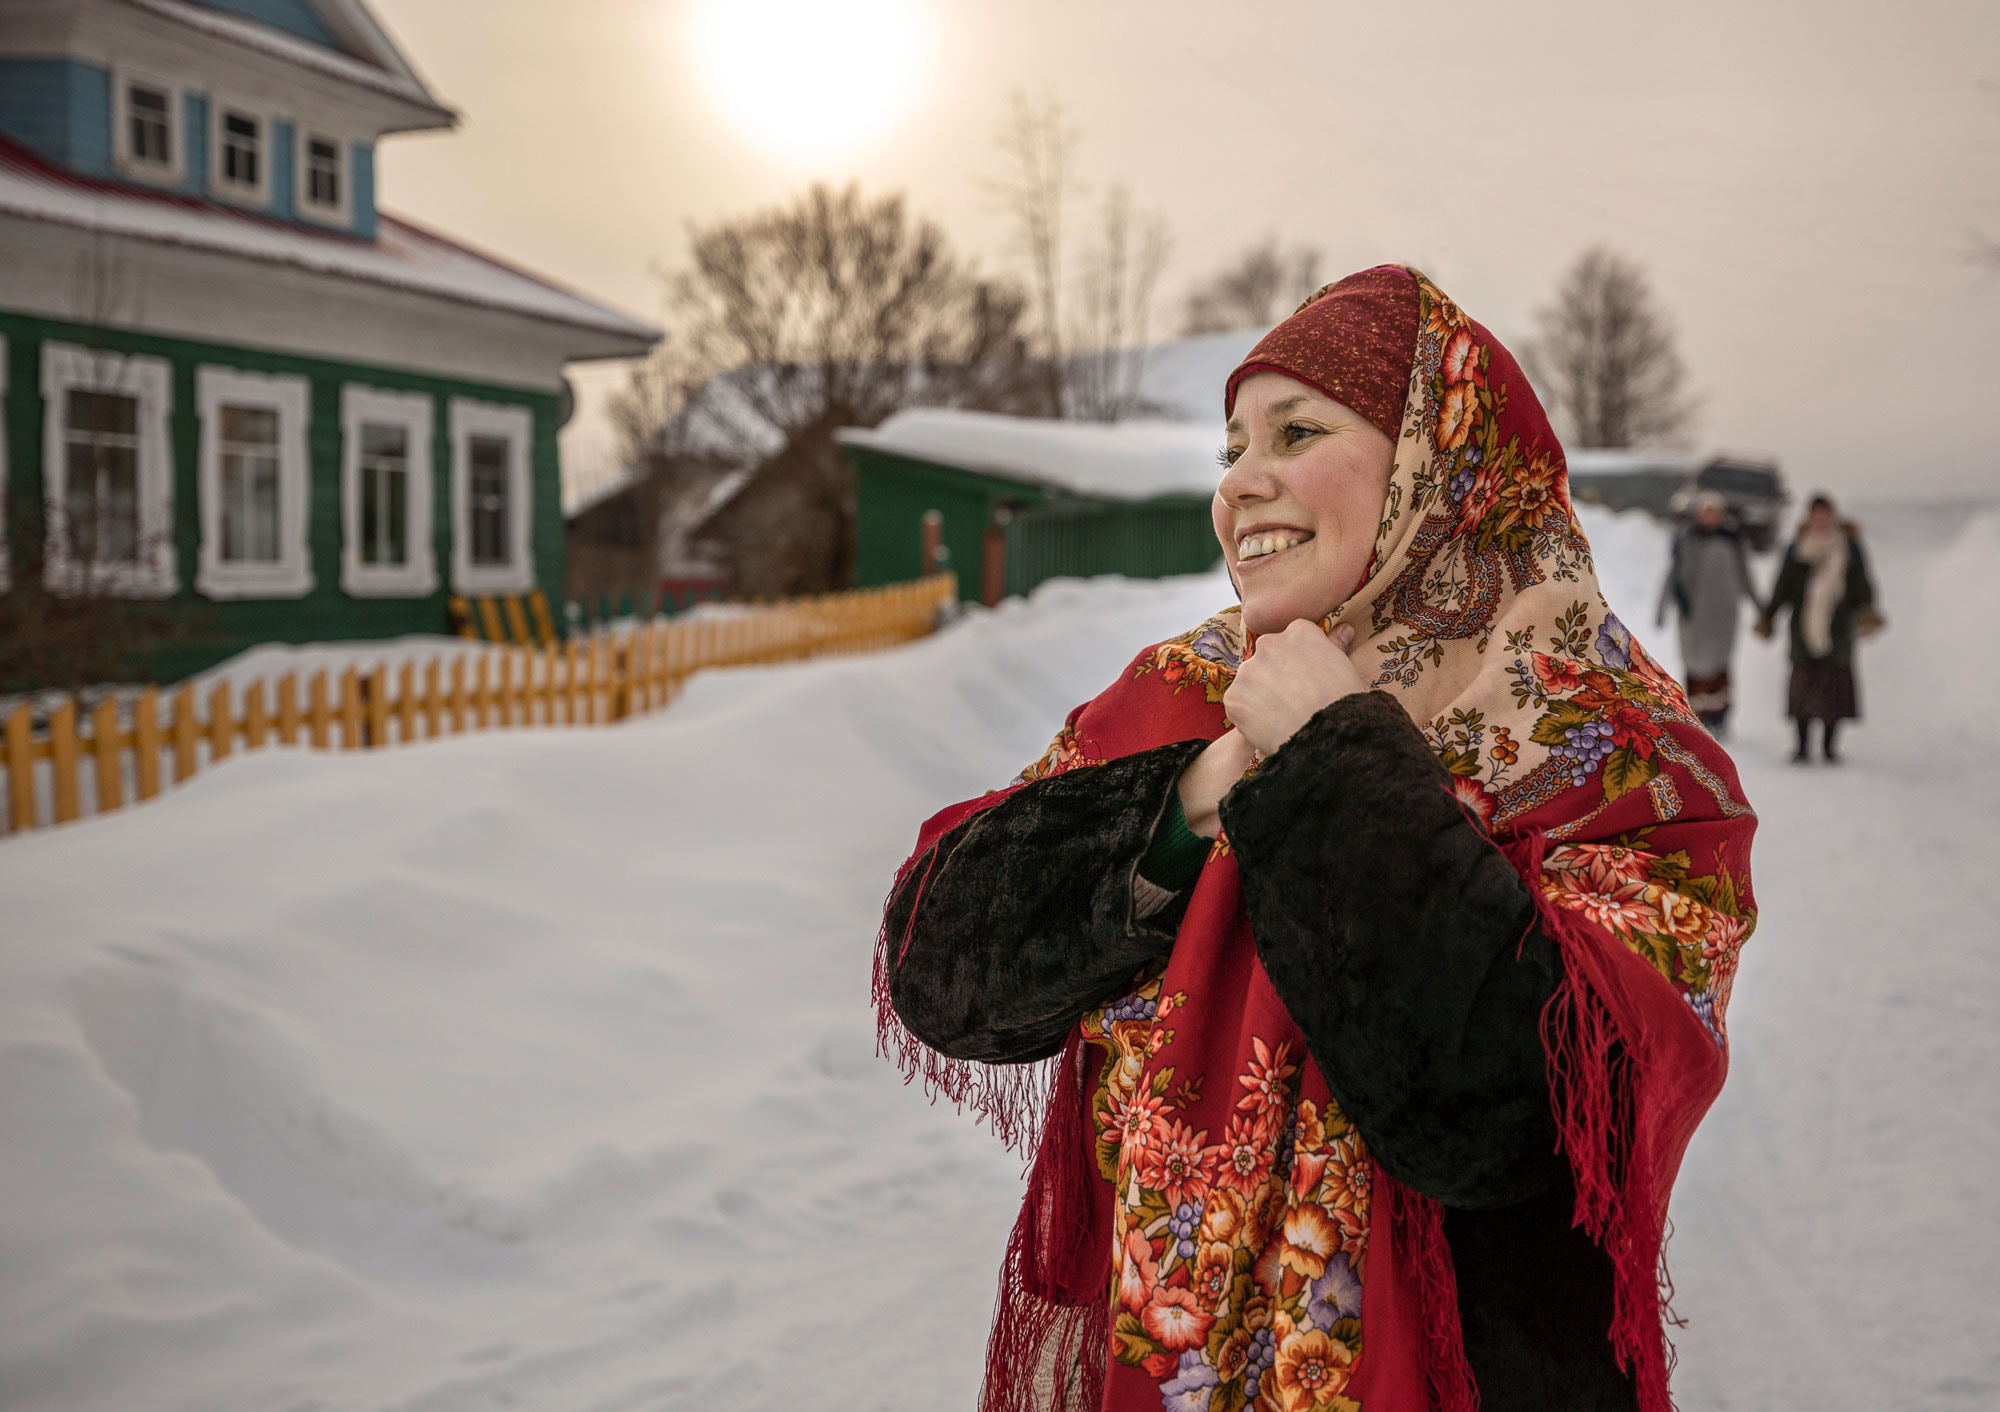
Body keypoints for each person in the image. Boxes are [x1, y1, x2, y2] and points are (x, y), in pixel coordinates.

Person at [876, 267, 1758, 1412]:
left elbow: (1527, 1123)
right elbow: (941, 961)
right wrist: (1192, 796)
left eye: (1295, 433)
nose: (1239, 482)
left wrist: (1333, 759)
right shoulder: (1189, 693)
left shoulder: (1614, 755)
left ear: (1443, 467)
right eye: (1231, 447)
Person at [1757, 494, 1880, 764]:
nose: (1821, 520)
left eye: (1825, 514)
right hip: (1802, 627)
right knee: (1803, 686)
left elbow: (1861, 585)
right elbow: (1782, 586)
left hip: (1838, 627)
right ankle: (1801, 746)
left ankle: (1829, 747)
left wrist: (1866, 614)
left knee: (1834, 687)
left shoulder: (1849, 548)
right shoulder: (1797, 549)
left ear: (1832, 516)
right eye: (1816, 515)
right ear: (1809, 517)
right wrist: (1769, 616)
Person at [1657, 490, 1761, 733]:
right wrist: (1662, 608)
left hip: (1723, 613)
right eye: (1706, 512)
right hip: (1692, 614)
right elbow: (1673, 575)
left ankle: (1719, 716)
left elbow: (1745, 575)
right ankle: (1696, 715)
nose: (1710, 517)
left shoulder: (1731, 541)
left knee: (1718, 663)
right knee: (1694, 663)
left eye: (1715, 512)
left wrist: (1760, 606)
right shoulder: (1686, 540)